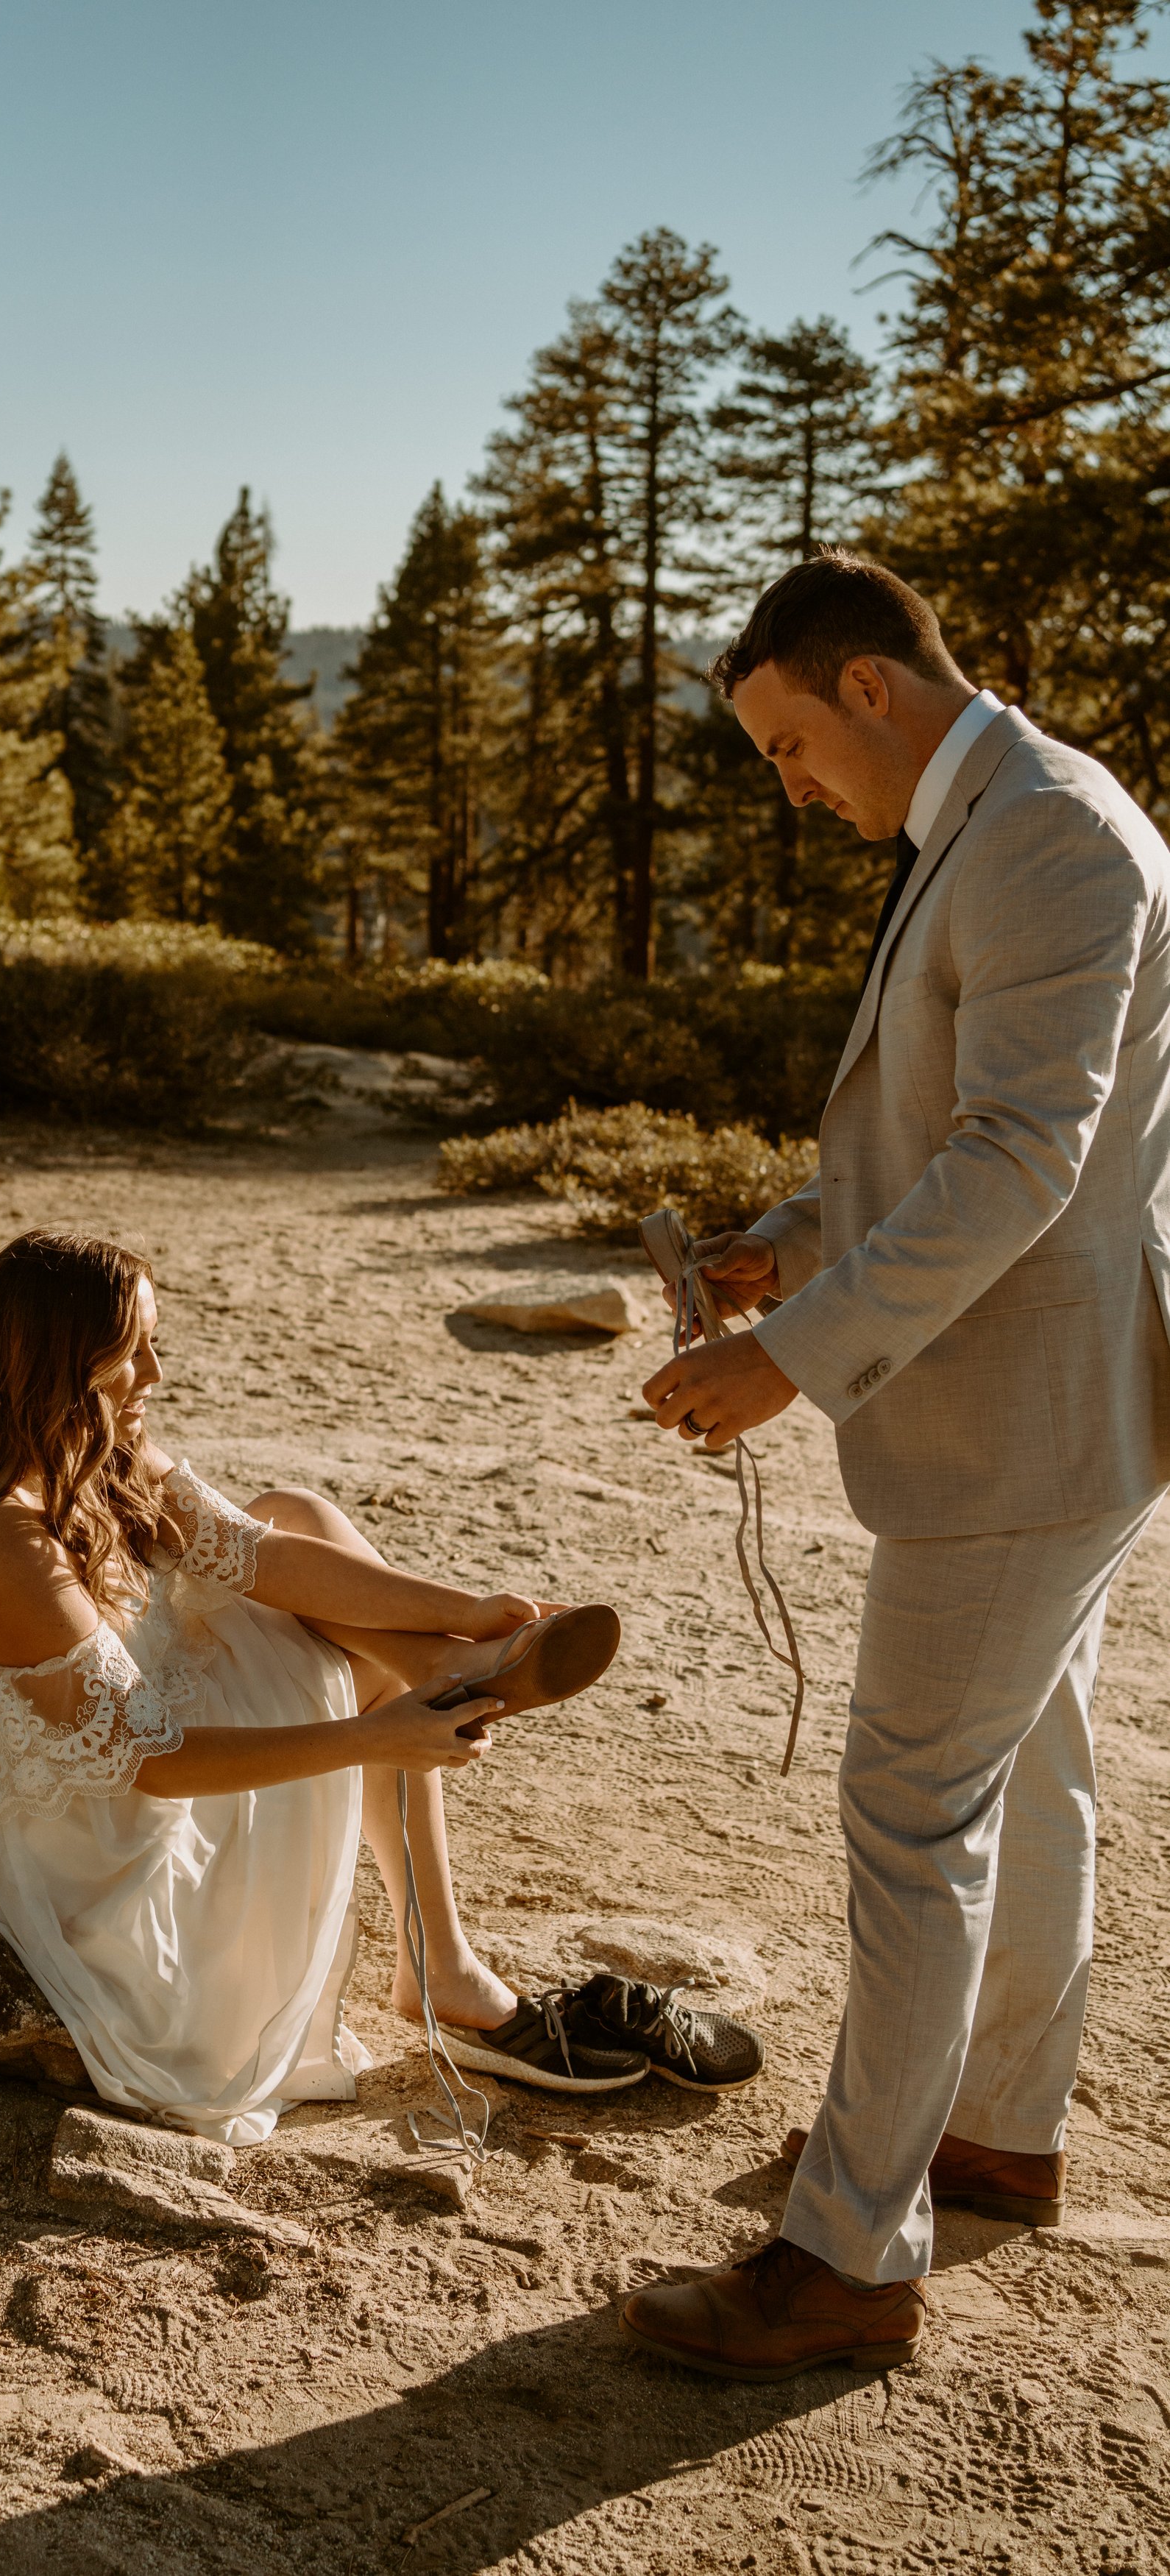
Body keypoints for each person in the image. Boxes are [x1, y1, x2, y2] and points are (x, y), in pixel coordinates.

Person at [624, 551, 1170, 2382]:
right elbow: (967, 1138)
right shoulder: (1008, 819)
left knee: (914, 1818)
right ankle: (999, 2131)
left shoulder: (1050, 839)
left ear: (870, 687)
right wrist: (799, 1236)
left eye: (786, 747)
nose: (790, 789)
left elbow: (1019, 1164)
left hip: (1019, 1421)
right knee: (1039, 1779)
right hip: (1055, 1407)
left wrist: (787, 1356)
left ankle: (851, 2257)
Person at [0, 1229, 761, 2145]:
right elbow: (154, 1761)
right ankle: (442, 1903)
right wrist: (373, 1738)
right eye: (132, 1349)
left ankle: (449, 1670)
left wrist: (466, 1607)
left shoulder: (91, 1449)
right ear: (59, 1363)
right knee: (348, 1678)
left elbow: (262, 1555)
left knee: (295, 1514)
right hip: (78, 1851)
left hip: (110, 1759)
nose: (155, 1372)